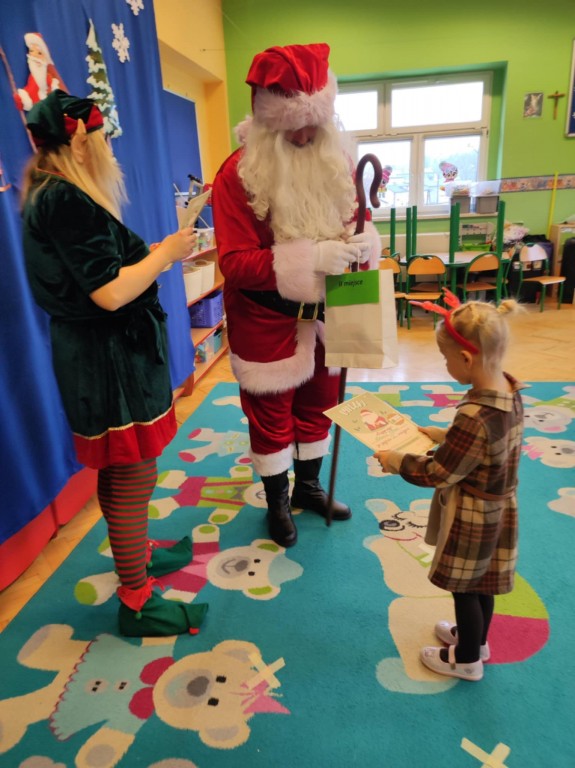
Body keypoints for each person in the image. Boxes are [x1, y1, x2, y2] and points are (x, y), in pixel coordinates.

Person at [21, 90, 208, 637]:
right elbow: (108, 293)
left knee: (124, 469)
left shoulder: (52, 191)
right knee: (133, 470)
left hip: (103, 354)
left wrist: (153, 252)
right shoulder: (66, 198)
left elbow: (98, 272)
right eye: (102, 139)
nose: (109, 151)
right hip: (108, 360)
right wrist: (166, 254)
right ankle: (137, 600)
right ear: (80, 141)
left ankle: (136, 556)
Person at [211, 43, 381, 548]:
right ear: (267, 121)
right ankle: (278, 500)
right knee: (270, 418)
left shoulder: (340, 160)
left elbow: (357, 219)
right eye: (292, 127)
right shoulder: (235, 175)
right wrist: (310, 259)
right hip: (266, 319)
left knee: (320, 407)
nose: (305, 136)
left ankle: (308, 487)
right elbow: (234, 264)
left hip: (332, 312)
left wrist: (362, 244)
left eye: (314, 124)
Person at [374, 289, 525, 682]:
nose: (446, 366)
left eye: (446, 359)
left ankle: (466, 659)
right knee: (483, 582)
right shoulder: (510, 391)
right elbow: (490, 443)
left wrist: (396, 461)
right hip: (501, 507)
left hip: (473, 514)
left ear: (466, 358)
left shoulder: (474, 416)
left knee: (464, 588)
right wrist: (444, 434)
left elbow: (438, 474)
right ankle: (478, 641)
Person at [14, 32, 67, 112]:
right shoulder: (33, 75)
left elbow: (53, 85)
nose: (35, 56)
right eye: (31, 51)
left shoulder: (47, 77)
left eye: (39, 53)